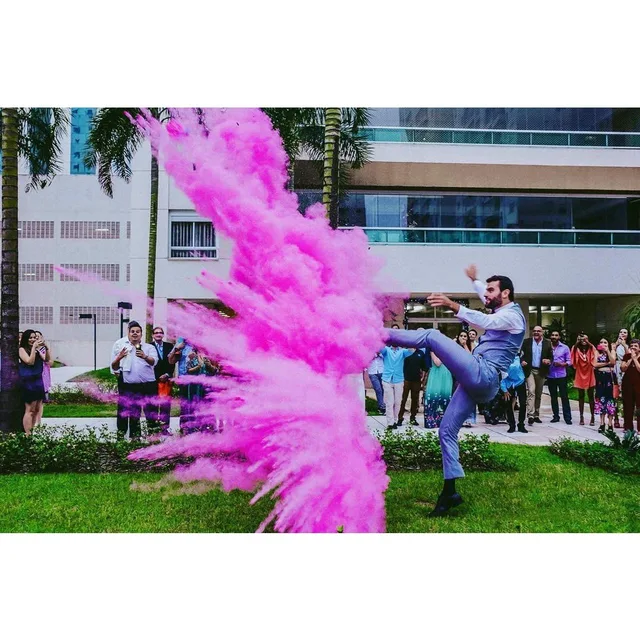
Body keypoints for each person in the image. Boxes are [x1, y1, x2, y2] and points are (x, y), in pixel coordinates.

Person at [387, 264, 525, 516]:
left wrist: (452, 304)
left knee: (430, 336)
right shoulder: (501, 303)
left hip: (484, 375)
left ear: (505, 293)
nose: (486, 295)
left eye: (491, 291)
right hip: (479, 383)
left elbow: (484, 320)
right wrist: (475, 281)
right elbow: (485, 292)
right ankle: (449, 492)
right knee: (446, 431)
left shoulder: (512, 315)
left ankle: (376, 335)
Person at [110, 321, 159, 440]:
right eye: (132, 332)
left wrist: (145, 356)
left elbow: (154, 362)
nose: (135, 334)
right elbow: (115, 367)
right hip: (131, 385)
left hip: (148, 385)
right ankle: (134, 437)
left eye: (137, 332)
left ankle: (153, 436)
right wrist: (119, 357)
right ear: (128, 333)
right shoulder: (123, 348)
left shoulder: (149, 347)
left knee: (151, 411)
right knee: (134, 412)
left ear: (141, 334)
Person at [379, 333, 413, 430]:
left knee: (398, 402)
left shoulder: (402, 351)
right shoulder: (386, 350)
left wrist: (409, 339)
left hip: (398, 379)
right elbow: (380, 347)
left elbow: (411, 351)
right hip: (387, 379)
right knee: (389, 402)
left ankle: (395, 420)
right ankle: (390, 423)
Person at [521, 326, 552, 426]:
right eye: (534, 331)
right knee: (531, 390)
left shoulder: (547, 343)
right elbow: (521, 355)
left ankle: (536, 414)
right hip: (529, 370)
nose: (536, 333)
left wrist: (548, 361)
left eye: (538, 331)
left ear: (542, 332)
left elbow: (551, 356)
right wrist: (522, 361)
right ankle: (530, 415)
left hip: (541, 370)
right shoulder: (527, 342)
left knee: (538, 393)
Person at [18, 329, 47, 436]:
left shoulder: (38, 349)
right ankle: (27, 433)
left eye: (34, 337)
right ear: (26, 339)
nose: (33, 339)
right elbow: (30, 362)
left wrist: (46, 348)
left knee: (37, 409)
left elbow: (47, 360)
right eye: (30, 338)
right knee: (30, 409)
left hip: (38, 380)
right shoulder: (22, 349)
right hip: (28, 381)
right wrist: (34, 348)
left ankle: (32, 430)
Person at [150, 326, 175, 434]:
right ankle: (154, 429)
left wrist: (167, 374)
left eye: (160, 332)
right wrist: (156, 377)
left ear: (163, 334)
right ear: (153, 335)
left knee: (166, 404)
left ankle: (165, 428)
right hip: (153, 380)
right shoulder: (148, 347)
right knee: (153, 404)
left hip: (166, 379)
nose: (158, 334)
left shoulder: (169, 346)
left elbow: (172, 362)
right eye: (156, 333)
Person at [397, 347, 430, 427]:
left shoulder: (420, 353)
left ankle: (413, 417)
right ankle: (399, 417)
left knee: (415, 399)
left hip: (416, 380)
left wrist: (423, 376)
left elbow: (424, 366)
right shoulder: (405, 352)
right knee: (403, 399)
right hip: (406, 379)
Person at [571, 333, 597, 426]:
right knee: (581, 396)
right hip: (580, 373)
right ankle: (581, 417)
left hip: (589, 373)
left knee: (591, 396)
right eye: (582, 340)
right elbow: (572, 358)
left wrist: (588, 342)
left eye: (586, 339)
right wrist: (578, 342)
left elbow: (595, 353)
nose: (584, 341)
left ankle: (592, 416)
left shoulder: (591, 348)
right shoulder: (576, 348)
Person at [547, 330, 572, 425]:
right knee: (553, 397)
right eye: (552, 335)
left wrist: (562, 364)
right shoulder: (547, 347)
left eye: (556, 335)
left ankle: (567, 417)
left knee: (564, 397)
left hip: (561, 375)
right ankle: (555, 416)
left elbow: (569, 361)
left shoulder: (565, 348)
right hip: (551, 375)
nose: (554, 337)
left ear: (559, 337)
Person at [423, 352, 453, 429]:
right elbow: (437, 363)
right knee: (434, 396)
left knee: (445, 397)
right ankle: (432, 421)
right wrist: (445, 354)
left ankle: (444, 421)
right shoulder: (433, 351)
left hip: (446, 375)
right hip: (436, 375)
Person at [594, 337, 617, 432]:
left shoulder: (612, 351)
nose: (603, 344)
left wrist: (608, 351)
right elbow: (595, 364)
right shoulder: (597, 352)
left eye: (605, 342)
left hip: (610, 378)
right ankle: (602, 423)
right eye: (601, 342)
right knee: (601, 399)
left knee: (610, 400)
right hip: (600, 379)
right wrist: (607, 363)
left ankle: (610, 424)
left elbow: (613, 362)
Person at [500, 354, 527, 433]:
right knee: (508, 404)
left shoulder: (517, 358)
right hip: (508, 383)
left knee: (523, 403)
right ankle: (512, 425)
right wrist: (504, 390)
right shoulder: (502, 361)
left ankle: (521, 424)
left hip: (520, 382)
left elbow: (515, 366)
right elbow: (502, 378)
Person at [33, 330, 53, 426]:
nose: (36, 338)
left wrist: (45, 348)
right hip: (33, 378)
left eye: (38, 336)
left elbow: (50, 362)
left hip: (43, 377)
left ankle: (39, 421)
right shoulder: (28, 349)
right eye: (34, 337)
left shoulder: (44, 349)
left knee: (40, 402)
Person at [621, 338, 640, 432]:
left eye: (635, 346)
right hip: (627, 384)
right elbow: (622, 368)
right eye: (631, 346)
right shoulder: (626, 356)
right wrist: (630, 359)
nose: (633, 347)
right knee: (628, 405)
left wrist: (635, 359)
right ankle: (628, 427)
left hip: (638, 385)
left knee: (639, 406)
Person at [612, 328, 629, 428]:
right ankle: (616, 418)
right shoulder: (615, 344)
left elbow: (628, 355)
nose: (622, 334)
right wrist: (617, 344)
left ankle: (625, 418)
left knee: (625, 394)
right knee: (616, 394)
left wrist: (623, 344)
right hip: (616, 368)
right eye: (621, 332)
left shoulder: (629, 345)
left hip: (625, 367)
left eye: (625, 332)